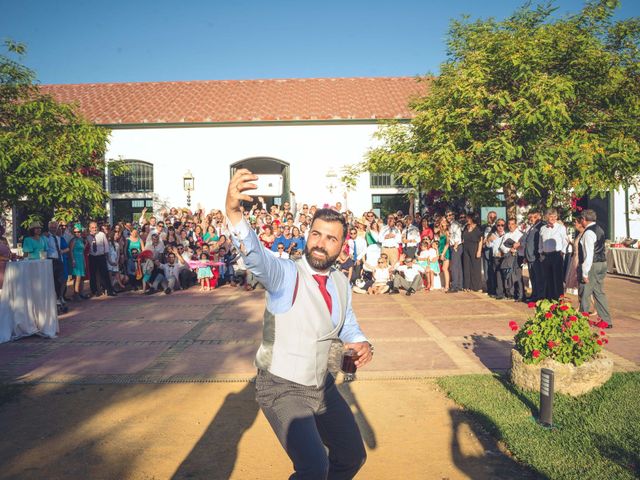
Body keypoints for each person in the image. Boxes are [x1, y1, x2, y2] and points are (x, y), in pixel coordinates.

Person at [226, 169, 371, 479]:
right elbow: (255, 257)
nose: (320, 243)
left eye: (331, 238)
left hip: (322, 385)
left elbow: (347, 325)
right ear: (308, 234)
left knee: (351, 456)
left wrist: (361, 343)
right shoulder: (286, 274)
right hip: (282, 387)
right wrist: (235, 213)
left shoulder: (341, 284)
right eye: (316, 234)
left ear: (342, 246)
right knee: (314, 468)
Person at [578, 209, 612, 328]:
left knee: (585, 293)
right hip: (602, 263)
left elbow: (589, 253)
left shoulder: (588, 233)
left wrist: (585, 272)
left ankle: (582, 321)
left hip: (592, 264)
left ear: (584, 219)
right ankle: (606, 320)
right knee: (599, 292)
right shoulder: (600, 229)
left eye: (581, 219)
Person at [539, 208, 568, 300]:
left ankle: (559, 300)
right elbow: (540, 241)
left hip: (557, 255)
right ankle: (549, 300)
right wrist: (540, 251)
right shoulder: (542, 228)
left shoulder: (561, 228)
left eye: (555, 216)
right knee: (547, 278)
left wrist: (562, 252)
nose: (553, 218)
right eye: (551, 216)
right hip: (545, 256)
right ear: (546, 217)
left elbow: (565, 241)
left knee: (557, 279)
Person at [87, 221, 116, 297]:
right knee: (93, 275)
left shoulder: (102, 235)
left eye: (95, 227)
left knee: (105, 274)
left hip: (101, 256)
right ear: (89, 228)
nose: (94, 229)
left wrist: (108, 259)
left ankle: (109, 290)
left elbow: (106, 247)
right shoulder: (88, 236)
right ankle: (94, 291)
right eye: (92, 227)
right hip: (92, 257)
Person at [524, 210, 544, 302]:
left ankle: (539, 296)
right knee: (533, 277)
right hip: (529, 256)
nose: (531, 219)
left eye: (533, 217)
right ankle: (534, 294)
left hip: (536, 256)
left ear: (539, 217)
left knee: (538, 278)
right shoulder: (531, 227)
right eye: (530, 218)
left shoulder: (541, 226)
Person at [462, 213, 483, 292]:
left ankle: (477, 287)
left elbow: (480, 240)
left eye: (468, 218)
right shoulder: (465, 227)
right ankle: (467, 286)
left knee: (475, 268)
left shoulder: (478, 228)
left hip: (475, 248)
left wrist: (479, 251)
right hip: (466, 248)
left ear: (472, 219)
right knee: (466, 267)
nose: (467, 219)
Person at [565, 215, 584, 295]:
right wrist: (571, 242)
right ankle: (580, 304)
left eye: (576, 223)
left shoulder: (584, 234)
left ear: (580, 224)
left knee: (580, 282)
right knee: (577, 283)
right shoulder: (579, 234)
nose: (574, 224)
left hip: (579, 259)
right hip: (575, 259)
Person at [69, 224, 88, 299]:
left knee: (81, 277)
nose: (77, 233)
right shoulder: (73, 240)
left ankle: (80, 292)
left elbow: (83, 251)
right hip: (76, 259)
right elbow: (71, 251)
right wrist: (73, 260)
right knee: (77, 277)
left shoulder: (80, 240)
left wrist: (84, 262)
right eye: (75, 232)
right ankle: (76, 293)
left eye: (79, 232)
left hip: (81, 258)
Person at [446, 210, 463, 293]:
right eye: (447, 215)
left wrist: (456, 245)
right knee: (458, 266)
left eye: (450, 215)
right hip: (454, 246)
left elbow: (458, 235)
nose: (448, 217)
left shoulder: (455, 224)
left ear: (453, 215)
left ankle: (455, 286)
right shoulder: (451, 225)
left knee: (454, 266)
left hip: (456, 246)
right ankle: (460, 285)